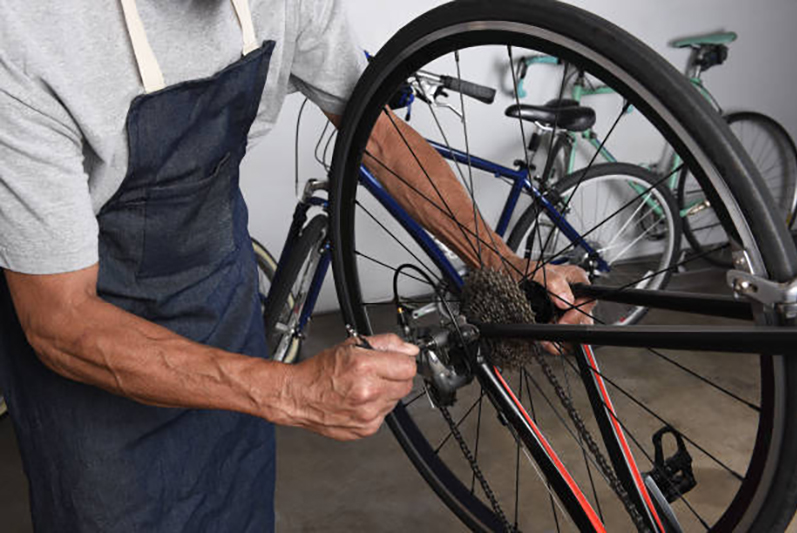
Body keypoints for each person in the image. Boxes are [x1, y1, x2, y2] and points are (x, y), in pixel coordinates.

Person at [0, 0, 591, 531]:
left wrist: (506, 265)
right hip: (92, 336)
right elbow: (59, 318)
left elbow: (379, 135)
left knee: (234, 505)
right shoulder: (28, 36)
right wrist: (291, 392)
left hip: (218, 294)